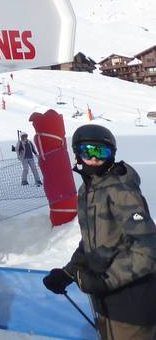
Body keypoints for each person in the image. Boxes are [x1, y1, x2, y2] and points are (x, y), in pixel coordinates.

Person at [42, 125, 156, 339]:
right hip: (106, 302)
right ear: (77, 154)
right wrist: (68, 273)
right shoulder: (88, 189)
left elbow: (147, 250)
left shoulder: (120, 190)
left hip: (133, 304)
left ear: (112, 155)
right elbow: (92, 242)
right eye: (88, 152)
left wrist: (104, 281)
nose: (94, 159)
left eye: (101, 152)